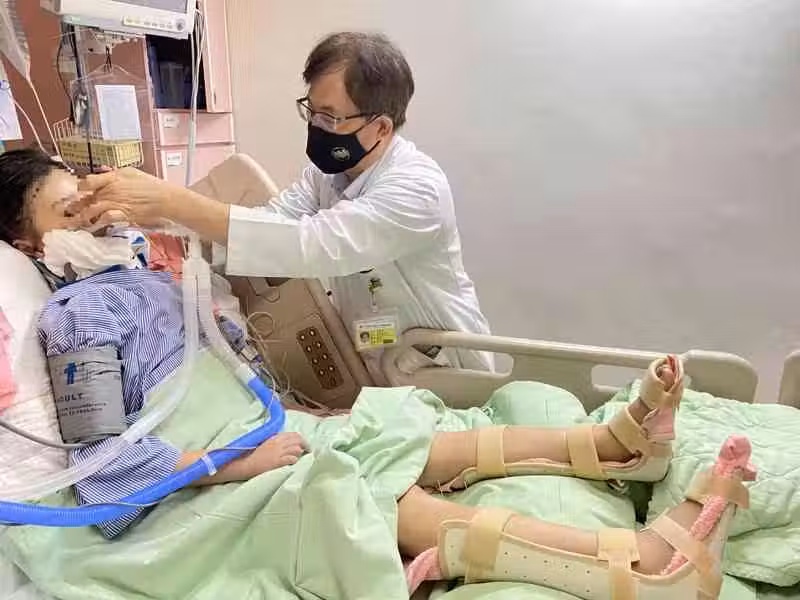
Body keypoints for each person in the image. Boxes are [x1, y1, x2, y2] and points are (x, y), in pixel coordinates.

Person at [78, 32, 493, 381]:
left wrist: (172, 199)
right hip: (378, 359)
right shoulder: (327, 177)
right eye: (312, 111)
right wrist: (159, 218)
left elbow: (309, 245)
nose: (316, 126)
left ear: (380, 127)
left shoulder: (417, 189)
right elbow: (268, 224)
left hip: (442, 366)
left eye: (330, 117)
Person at [0, 148, 308, 538]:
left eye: (87, 197)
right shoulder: (81, 313)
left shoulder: (152, 281)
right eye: (69, 212)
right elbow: (102, 461)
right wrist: (235, 464)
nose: (94, 214)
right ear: (30, 247)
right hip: (211, 476)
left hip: (258, 427)